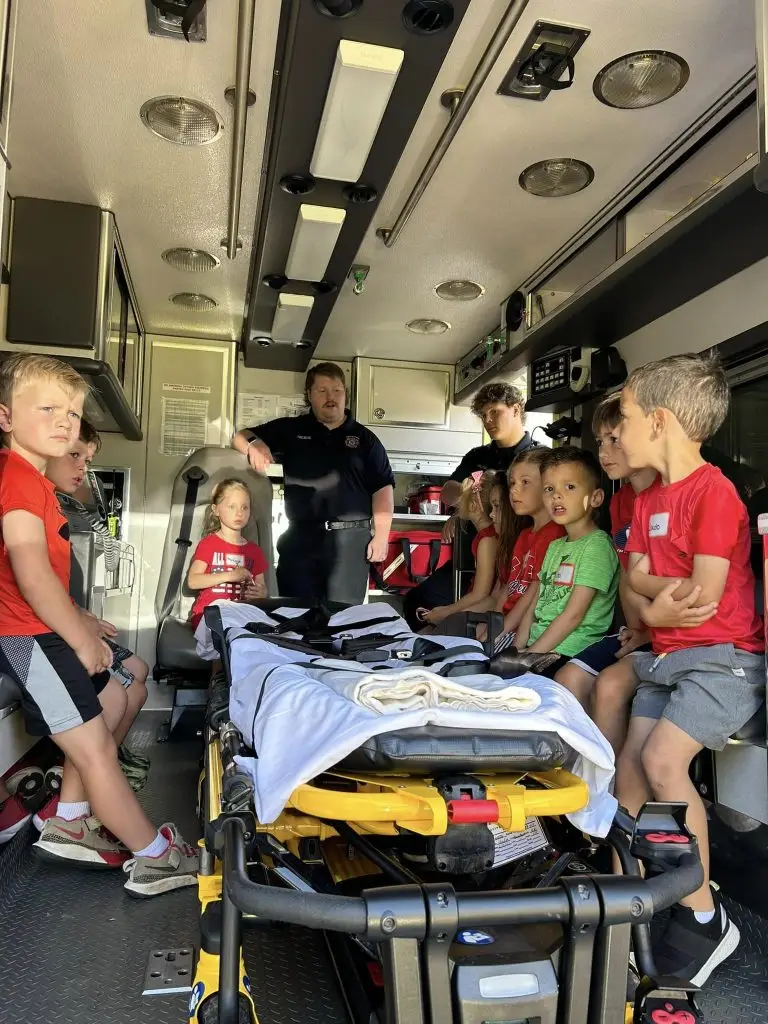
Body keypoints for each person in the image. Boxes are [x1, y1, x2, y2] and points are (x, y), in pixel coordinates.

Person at [0, 353, 197, 896]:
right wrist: (81, 635)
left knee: (97, 743)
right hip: (27, 639)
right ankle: (156, 856)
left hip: (36, 634)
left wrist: (81, 624)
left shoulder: (32, 482)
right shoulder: (16, 480)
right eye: (47, 408)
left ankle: (74, 818)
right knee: (94, 752)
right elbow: (33, 577)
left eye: (71, 411)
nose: (64, 421)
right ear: (6, 417)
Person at [615, 352, 763, 985]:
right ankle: (634, 898)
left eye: (622, 418)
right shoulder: (653, 497)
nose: (616, 434)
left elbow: (700, 594)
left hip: (722, 664)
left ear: (659, 421)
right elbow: (636, 581)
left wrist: (653, 592)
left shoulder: (715, 493)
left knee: (663, 764)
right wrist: (654, 592)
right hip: (669, 659)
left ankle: (706, 917)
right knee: (628, 772)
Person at [45, 421, 151, 791]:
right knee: (126, 690)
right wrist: (79, 623)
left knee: (139, 668)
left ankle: (107, 763)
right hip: (41, 634)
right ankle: (92, 778)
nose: (82, 468)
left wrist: (84, 615)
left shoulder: (57, 508)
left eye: (87, 461)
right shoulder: (27, 508)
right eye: (75, 455)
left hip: (67, 619)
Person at [232, 362, 394, 604]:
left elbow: (382, 489)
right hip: (301, 539)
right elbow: (240, 436)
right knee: (294, 614)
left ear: (345, 394)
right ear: (309, 395)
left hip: (351, 542)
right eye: (322, 391)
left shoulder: (366, 440)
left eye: (337, 390)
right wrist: (255, 444)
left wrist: (381, 536)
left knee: (341, 619)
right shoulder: (292, 429)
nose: (331, 397)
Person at [553, 395, 657, 719]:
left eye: (614, 439)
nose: (603, 451)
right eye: (600, 441)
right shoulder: (620, 502)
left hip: (667, 630)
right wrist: (636, 630)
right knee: (568, 678)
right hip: (637, 629)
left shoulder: (669, 497)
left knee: (608, 686)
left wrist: (650, 632)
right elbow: (628, 576)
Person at [404, 381, 538, 629]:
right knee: (417, 601)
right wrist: (465, 502)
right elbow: (449, 492)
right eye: (483, 415)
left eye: (494, 412)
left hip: (515, 554)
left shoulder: (537, 457)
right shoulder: (478, 456)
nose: (488, 420)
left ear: (517, 409)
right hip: (470, 554)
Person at [515, 447, 619, 675]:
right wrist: (517, 650)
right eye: (549, 489)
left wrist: (528, 657)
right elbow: (535, 606)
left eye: (569, 487)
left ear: (596, 498)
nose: (556, 496)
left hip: (570, 651)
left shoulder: (597, 546)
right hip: (538, 648)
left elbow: (573, 615)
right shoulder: (555, 546)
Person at [493, 448, 565, 648]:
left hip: (521, 631)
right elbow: (510, 588)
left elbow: (532, 595)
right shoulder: (525, 535)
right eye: (513, 483)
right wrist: (491, 627)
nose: (514, 490)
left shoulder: (556, 534)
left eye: (525, 482)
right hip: (503, 626)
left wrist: (499, 632)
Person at [417, 471, 498, 628]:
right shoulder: (484, 537)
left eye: (462, 499)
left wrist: (447, 612)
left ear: (474, 505)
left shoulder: (487, 540)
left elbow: (480, 593)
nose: (457, 505)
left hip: (482, 607)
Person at [187, 478, 268, 631]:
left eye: (245, 507)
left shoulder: (255, 551)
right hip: (211, 614)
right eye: (232, 507)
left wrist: (261, 593)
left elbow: (261, 587)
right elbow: (193, 581)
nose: (239, 512)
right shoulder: (209, 544)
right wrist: (231, 576)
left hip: (242, 613)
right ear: (216, 510)